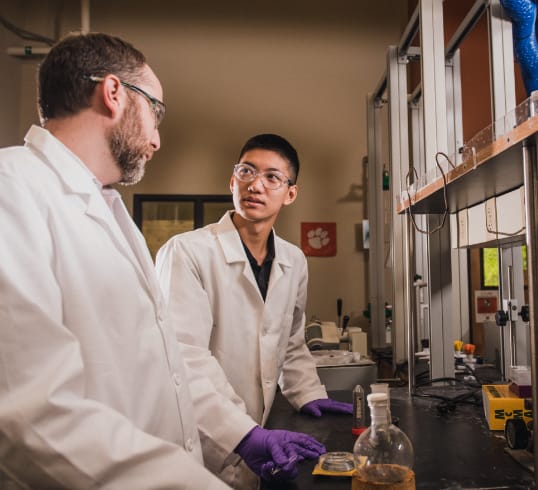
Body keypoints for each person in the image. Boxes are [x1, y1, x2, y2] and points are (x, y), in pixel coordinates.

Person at [0, 34, 324, 489]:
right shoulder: (11, 190)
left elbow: (164, 365)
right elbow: (28, 418)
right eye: (157, 111)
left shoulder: (104, 210)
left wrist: (247, 434)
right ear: (113, 94)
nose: (156, 137)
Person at [156, 133, 353, 488]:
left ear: (290, 193)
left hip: (255, 440)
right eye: (246, 172)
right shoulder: (186, 252)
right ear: (232, 181)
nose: (255, 185)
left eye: (272, 177)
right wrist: (241, 435)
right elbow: (182, 358)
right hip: (196, 442)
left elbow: (291, 342)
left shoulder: (293, 260)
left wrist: (307, 393)